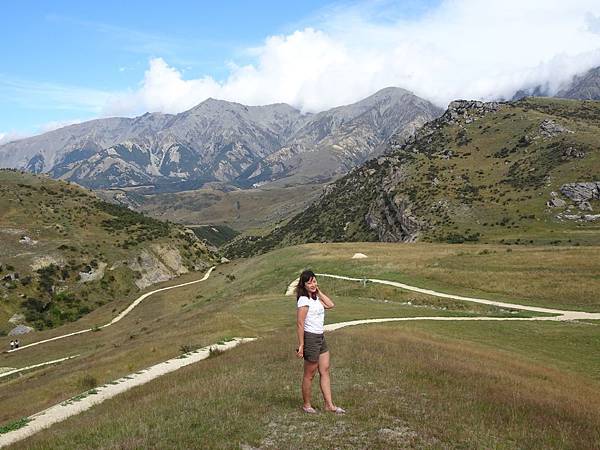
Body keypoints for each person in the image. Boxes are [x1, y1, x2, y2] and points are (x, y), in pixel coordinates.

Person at [295, 269, 345, 414]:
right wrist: (301, 345)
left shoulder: (316, 299)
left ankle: (329, 405)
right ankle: (306, 405)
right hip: (310, 338)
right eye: (309, 282)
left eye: (314, 281)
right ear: (303, 285)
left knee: (325, 370)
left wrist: (319, 291)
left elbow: (330, 305)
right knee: (309, 374)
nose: (312, 284)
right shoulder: (304, 300)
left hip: (320, 337)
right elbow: (300, 324)